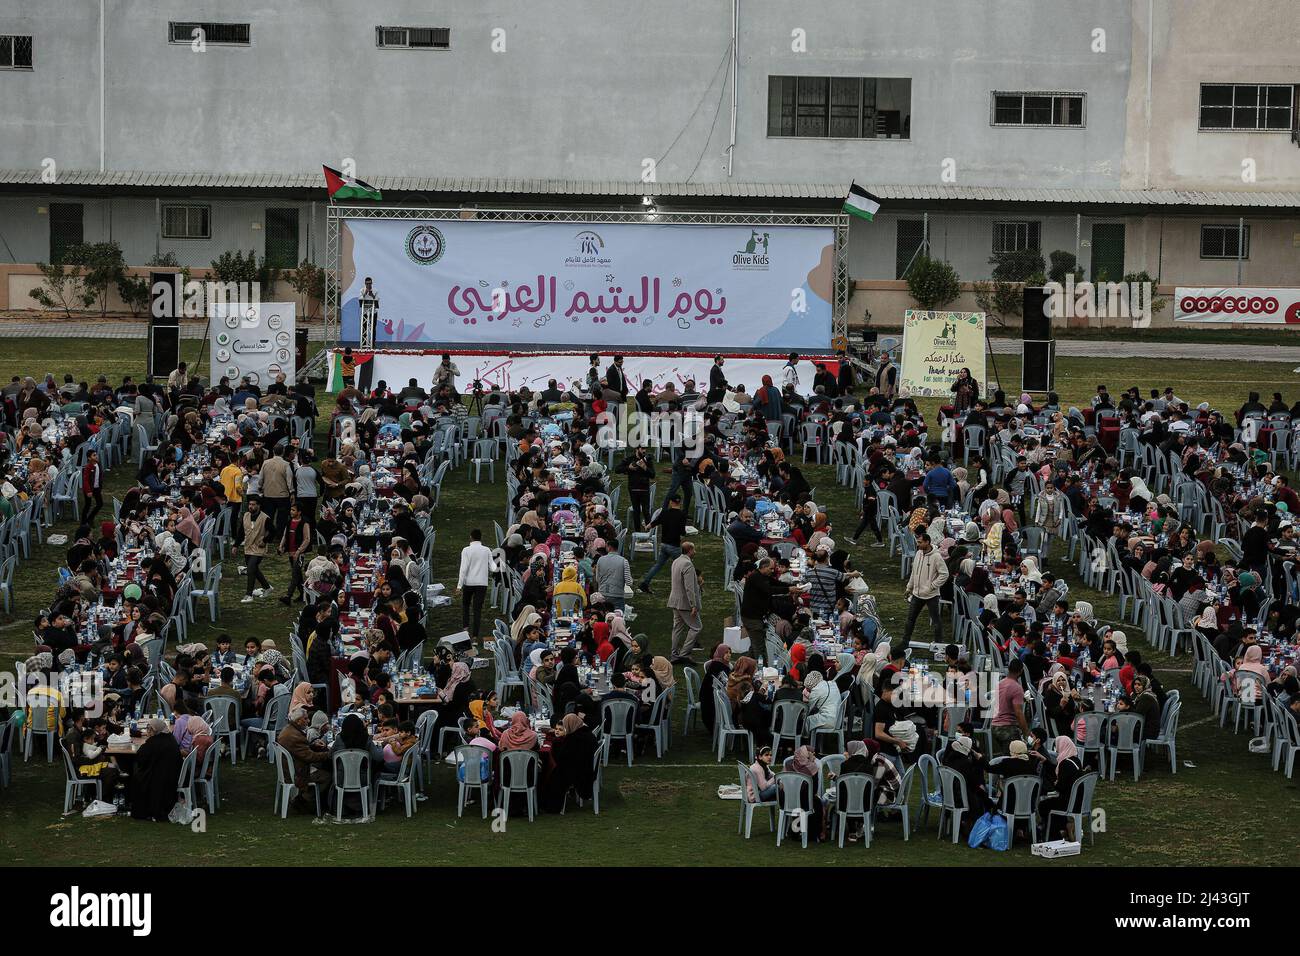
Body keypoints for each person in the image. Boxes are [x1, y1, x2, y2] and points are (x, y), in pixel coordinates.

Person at [276, 706, 331, 812]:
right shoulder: (295, 736)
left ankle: (306, 800)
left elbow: (301, 751)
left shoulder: (289, 729)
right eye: (305, 719)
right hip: (297, 772)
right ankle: (303, 800)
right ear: (298, 720)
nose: (308, 721)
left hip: (290, 767)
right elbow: (310, 757)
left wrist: (313, 745)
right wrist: (328, 754)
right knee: (327, 776)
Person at [129, 719, 184, 821]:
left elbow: (141, 756)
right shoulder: (170, 738)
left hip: (160, 778)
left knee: (137, 776)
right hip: (173, 775)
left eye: (150, 730)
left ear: (155, 730)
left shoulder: (154, 742)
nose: (148, 732)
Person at [542, 713, 598, 812]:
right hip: (587, 767)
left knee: (552, 773)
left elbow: (563, 758)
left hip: (581, 772)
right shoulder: (586, 733)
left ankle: (550, 806)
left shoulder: (574, 738)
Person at [902, 532, 948, 644]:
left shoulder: (936, 557)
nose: (918, 544)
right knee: (910, 619)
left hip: (931, 595)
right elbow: (914, 572)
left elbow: (944, 574)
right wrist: (909, 588)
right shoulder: (918, 554)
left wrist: (932, 586)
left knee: (936, 621)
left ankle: (938, 643)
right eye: (918, 542)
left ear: (927, 542)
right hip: (917, 594)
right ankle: (905, 641)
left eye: (920, 542)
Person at [639, 495, 687, 592]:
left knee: (658, 565)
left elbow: (654, 523)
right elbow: (682, 532)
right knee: (683, 566)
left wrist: (647, 527)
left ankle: (645, 583)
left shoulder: (665, 513)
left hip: (664, 545)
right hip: (674, 546)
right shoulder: (682, 515)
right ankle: (686, 587)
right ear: (680, 503)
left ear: (670, 502)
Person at [667, 541, 702, 663]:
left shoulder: (676, 561)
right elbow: (689, 587)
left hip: (674, 600)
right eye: (694, 550)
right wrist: (693, 604)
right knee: (696, 627)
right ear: (690, 551)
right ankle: (684, 654)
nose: (695, 552)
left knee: (677, 628)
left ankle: (674, 654)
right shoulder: (688, 564)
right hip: (684, 603)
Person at [456, 528, 493, 642]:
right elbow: (492, 567)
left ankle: (466, 629)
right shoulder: (487, 550)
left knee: (466, 606)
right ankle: (475, 636)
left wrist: (459, 586)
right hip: (482, 583)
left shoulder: (466, 550)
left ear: (471, 537)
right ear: (480, 538)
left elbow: (463, 568)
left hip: (468, 583)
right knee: (477, 609)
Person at [991, 659, 1029, 755]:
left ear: (1008, 669)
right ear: (1021, 671)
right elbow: (1018, 713)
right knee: (1020, 753)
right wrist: (1026, 733)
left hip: (994, 725)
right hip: (1006, 728)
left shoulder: (1001, 683)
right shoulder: (1017, 688)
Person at [277, 501, 312, 605]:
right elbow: (285, 535)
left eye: (293, 510)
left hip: (299, 554)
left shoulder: (304, 523)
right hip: (290, 553)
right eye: (291, 510)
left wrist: (299, 551)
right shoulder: (289, 522)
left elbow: (307, 539)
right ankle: (303, 595)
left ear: (299, 512)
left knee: (295, 575)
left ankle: (288, 595)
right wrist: (281, 546)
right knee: (298, 575)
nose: (291, 512)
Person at [240, 496, 272, 603]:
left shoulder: (265, 518)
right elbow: (241, 530)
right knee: (254, 569)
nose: (251, 506)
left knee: (250, 569)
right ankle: (267, 587)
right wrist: (235, 545)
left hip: (259, 548)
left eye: (253, 504)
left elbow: (273, 531)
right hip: (248, 547)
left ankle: (249, 595)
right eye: (250, 504)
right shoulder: (246, 516)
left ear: (258, 506)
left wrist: (265, 540)